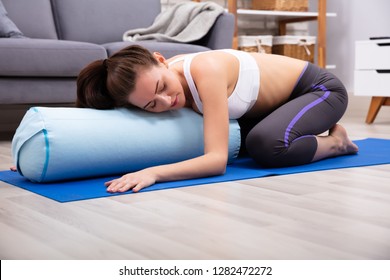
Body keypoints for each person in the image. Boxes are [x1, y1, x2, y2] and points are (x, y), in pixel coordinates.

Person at [76, 45, 358, 193]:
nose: (166, 102)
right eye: (151, 105)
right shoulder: (160, 90)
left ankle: (336, 143)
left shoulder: (205, 70)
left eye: (162, 87)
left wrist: (153, 173)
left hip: (320, 91)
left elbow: (216, 161)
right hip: (273, 110)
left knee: (265, 145)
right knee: (246, 144)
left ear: (161, 60)